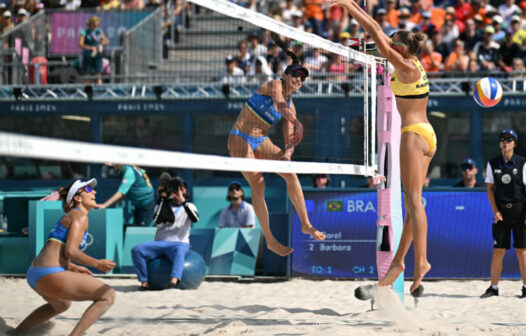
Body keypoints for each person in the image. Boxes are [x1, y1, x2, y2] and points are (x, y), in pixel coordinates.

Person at [329, 0, 436, 294]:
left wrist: (349, 5)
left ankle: (422, 261)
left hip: (414, 134)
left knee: (414, 201)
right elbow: (371, 44)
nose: (389, 44)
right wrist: (349, 46)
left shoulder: (404, 66)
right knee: (414, 203)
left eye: (393, 43)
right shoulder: (411, 61)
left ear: (401, 48)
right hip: (426, 134)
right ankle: (400, 261)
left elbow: (375, 30)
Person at [228, 33, 326, 257]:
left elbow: (289, 139)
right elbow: (279, 105)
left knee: (290, 174)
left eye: (302, 77)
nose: (299, 79)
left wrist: (288, 154)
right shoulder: (274, 85)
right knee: (259, 183)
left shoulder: (293, 106)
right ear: (285, 75)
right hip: (239, 137)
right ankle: (270, 240)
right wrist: (296, 121)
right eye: (295, 75)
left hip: (261, 140)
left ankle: (306, 223)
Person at [12, 179, 116, 336]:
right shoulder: (79, 216)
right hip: (48, 273)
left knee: (62, 305)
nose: (93, 191)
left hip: (35, 273)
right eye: (88, 189)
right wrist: (97, 263)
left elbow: (55, 249)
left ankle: (17, 332)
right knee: (108, 295)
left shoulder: (71, 215)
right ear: (77, 198)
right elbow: (71, 252)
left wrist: (73, 267)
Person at [131, 176, 199, 290]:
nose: (175, 192)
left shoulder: (190, 206)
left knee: (179, 251)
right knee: (137, 250)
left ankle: (174, 281)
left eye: (178, 189)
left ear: (184, 190)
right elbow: (157, 220)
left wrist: (182, 201)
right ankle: (144, 282)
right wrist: (163, 199)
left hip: (180, 243)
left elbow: (195, 219)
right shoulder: (161, 206)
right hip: (160, 243)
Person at [481, 129, 526, 298]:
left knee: (522, 250)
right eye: (502, 139)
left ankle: (525, 286)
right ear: (499, 143)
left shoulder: (522, 163)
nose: (505, 142)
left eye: (509, 139)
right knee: (498, 250)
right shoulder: (493, 163)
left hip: (519, 210)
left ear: (515, 143)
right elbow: (490, 189)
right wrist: (495, 211)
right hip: (501, 212)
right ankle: (494, 287)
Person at [78, 16, 109, 84]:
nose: (95, 26)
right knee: (87, 76)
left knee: (98, 75)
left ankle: (99, 92)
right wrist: (90, 48)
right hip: (87, 56)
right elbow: (80, 44)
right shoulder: (84, 32)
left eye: (96, 25)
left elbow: (107, 41)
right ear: (90, 24)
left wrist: (101, 44)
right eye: (94, 25)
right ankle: (88, 92)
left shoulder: (99, 31)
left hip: (97, 56)